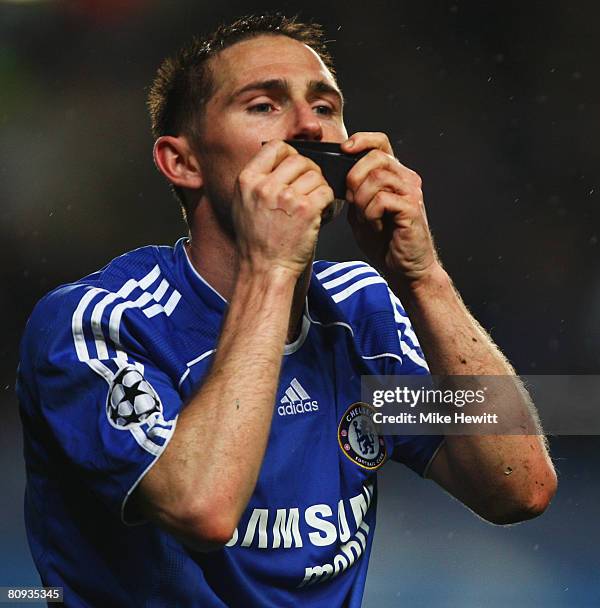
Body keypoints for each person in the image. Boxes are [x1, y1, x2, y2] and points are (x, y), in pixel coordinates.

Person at [17, 13, 557, 607]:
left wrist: (422, 278)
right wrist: (271, 269)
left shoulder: (361, 315)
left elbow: (519, 487)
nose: (309, 127)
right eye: (263, 106)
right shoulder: (99, 323)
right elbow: (201, 507)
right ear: (183, 162)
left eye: (326, 107)